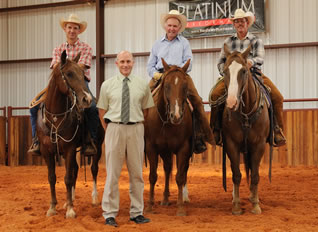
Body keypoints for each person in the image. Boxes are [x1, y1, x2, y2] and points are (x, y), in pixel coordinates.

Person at [209, 8, 286, 147]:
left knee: (277, 97)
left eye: (242, 21)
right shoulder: (227, 42)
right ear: (234, 24)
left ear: (247, 23)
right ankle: (216, 129)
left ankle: (276, 130)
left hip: (254, 73)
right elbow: (220, 61)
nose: (240, 24)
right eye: (237, 21)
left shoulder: (255, 40)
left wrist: (251, 62)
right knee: (215, 95)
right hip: (232, 75)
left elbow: (260, 58)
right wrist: (226, 72)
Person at [28, 14, 99, 155]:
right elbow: (55, 68)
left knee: (91, 108)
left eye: (75, 28)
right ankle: (36, 140)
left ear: (79, 31)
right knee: (34, 107)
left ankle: (90, 140)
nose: (72, 30)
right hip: (59, 82)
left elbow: (81, 67)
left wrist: (66, 67)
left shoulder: (86, 48)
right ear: (65, 29)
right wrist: (67, 69)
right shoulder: (58, 49)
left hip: (79, 82)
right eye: (69, 27)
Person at [98, 51, 153, 227]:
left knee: (137, 174)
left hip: (136, 129)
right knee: (112, 174)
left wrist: (135, 124)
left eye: (128, 61)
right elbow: (102, 110)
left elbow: (146, 110)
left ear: (133, 63)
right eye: (122, 61)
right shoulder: (107, 85)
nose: (125, 64)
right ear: (116, 63)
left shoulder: (142, 85)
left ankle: (137, 212)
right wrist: (110, 129)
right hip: (114, 128)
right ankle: (109, 213)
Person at [147, 9, 215, 153]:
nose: (172, 28)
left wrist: (181, 71)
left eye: (175, 26)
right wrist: (156, 75)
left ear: (179, 28)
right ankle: (142, 137)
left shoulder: (184, 42)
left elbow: (189, 62)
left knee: (196, 101)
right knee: (142, 100)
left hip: (180, 74)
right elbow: (150, 65)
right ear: (165, 26)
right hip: (161, 75)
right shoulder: (157, 43)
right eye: (169, 25)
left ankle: (199, 136)